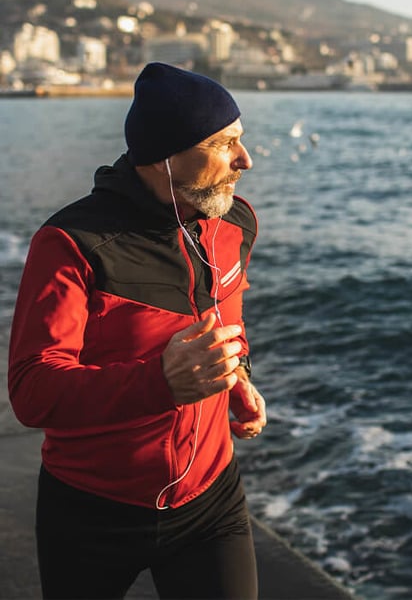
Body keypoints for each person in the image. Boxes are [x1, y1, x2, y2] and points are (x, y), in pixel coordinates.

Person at [8, 62, 267, 599]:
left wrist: (237, 373)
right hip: (91, 511)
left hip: (210, 499)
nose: (245, 160)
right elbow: (33, 393)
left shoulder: (233, 223)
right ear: (164, 157)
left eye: (240, 140)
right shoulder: (72, 243)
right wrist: (162, 382)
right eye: (223, 144)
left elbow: (227, 316)